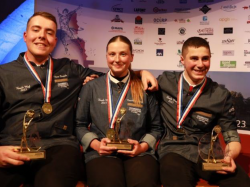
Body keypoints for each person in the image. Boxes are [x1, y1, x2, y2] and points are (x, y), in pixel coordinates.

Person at [0, 12, 158, 187]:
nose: (42, 36)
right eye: (36, 30)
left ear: (54, 40)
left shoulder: (69, 69)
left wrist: (140, 73)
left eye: (49, 32)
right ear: (25, 36)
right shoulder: (3, 74)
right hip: (12, 146)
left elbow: (111, 77)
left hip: (57, 147)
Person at [157, 36, 250, 187]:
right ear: (182, 59)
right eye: (194, 58)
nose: (200, 64)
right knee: (173, 177)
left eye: (205, 58)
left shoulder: (220, 94)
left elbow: (231, 135)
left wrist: (228, 156)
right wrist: (142, 73)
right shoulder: (166, 81)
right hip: (173, 150)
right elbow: (133, 79)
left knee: (242, 182)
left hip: (207, 152)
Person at [75, 35, 163, 187]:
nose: (117, 59)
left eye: (123, 54)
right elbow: (79, 125)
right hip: (100, 154)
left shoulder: (144, 87)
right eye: (112, 54)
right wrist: (96, 145)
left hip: (139, 154)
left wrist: (141, 147)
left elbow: (156, 128)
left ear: (131, 57)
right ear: (106, 56)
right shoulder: (91, 87)